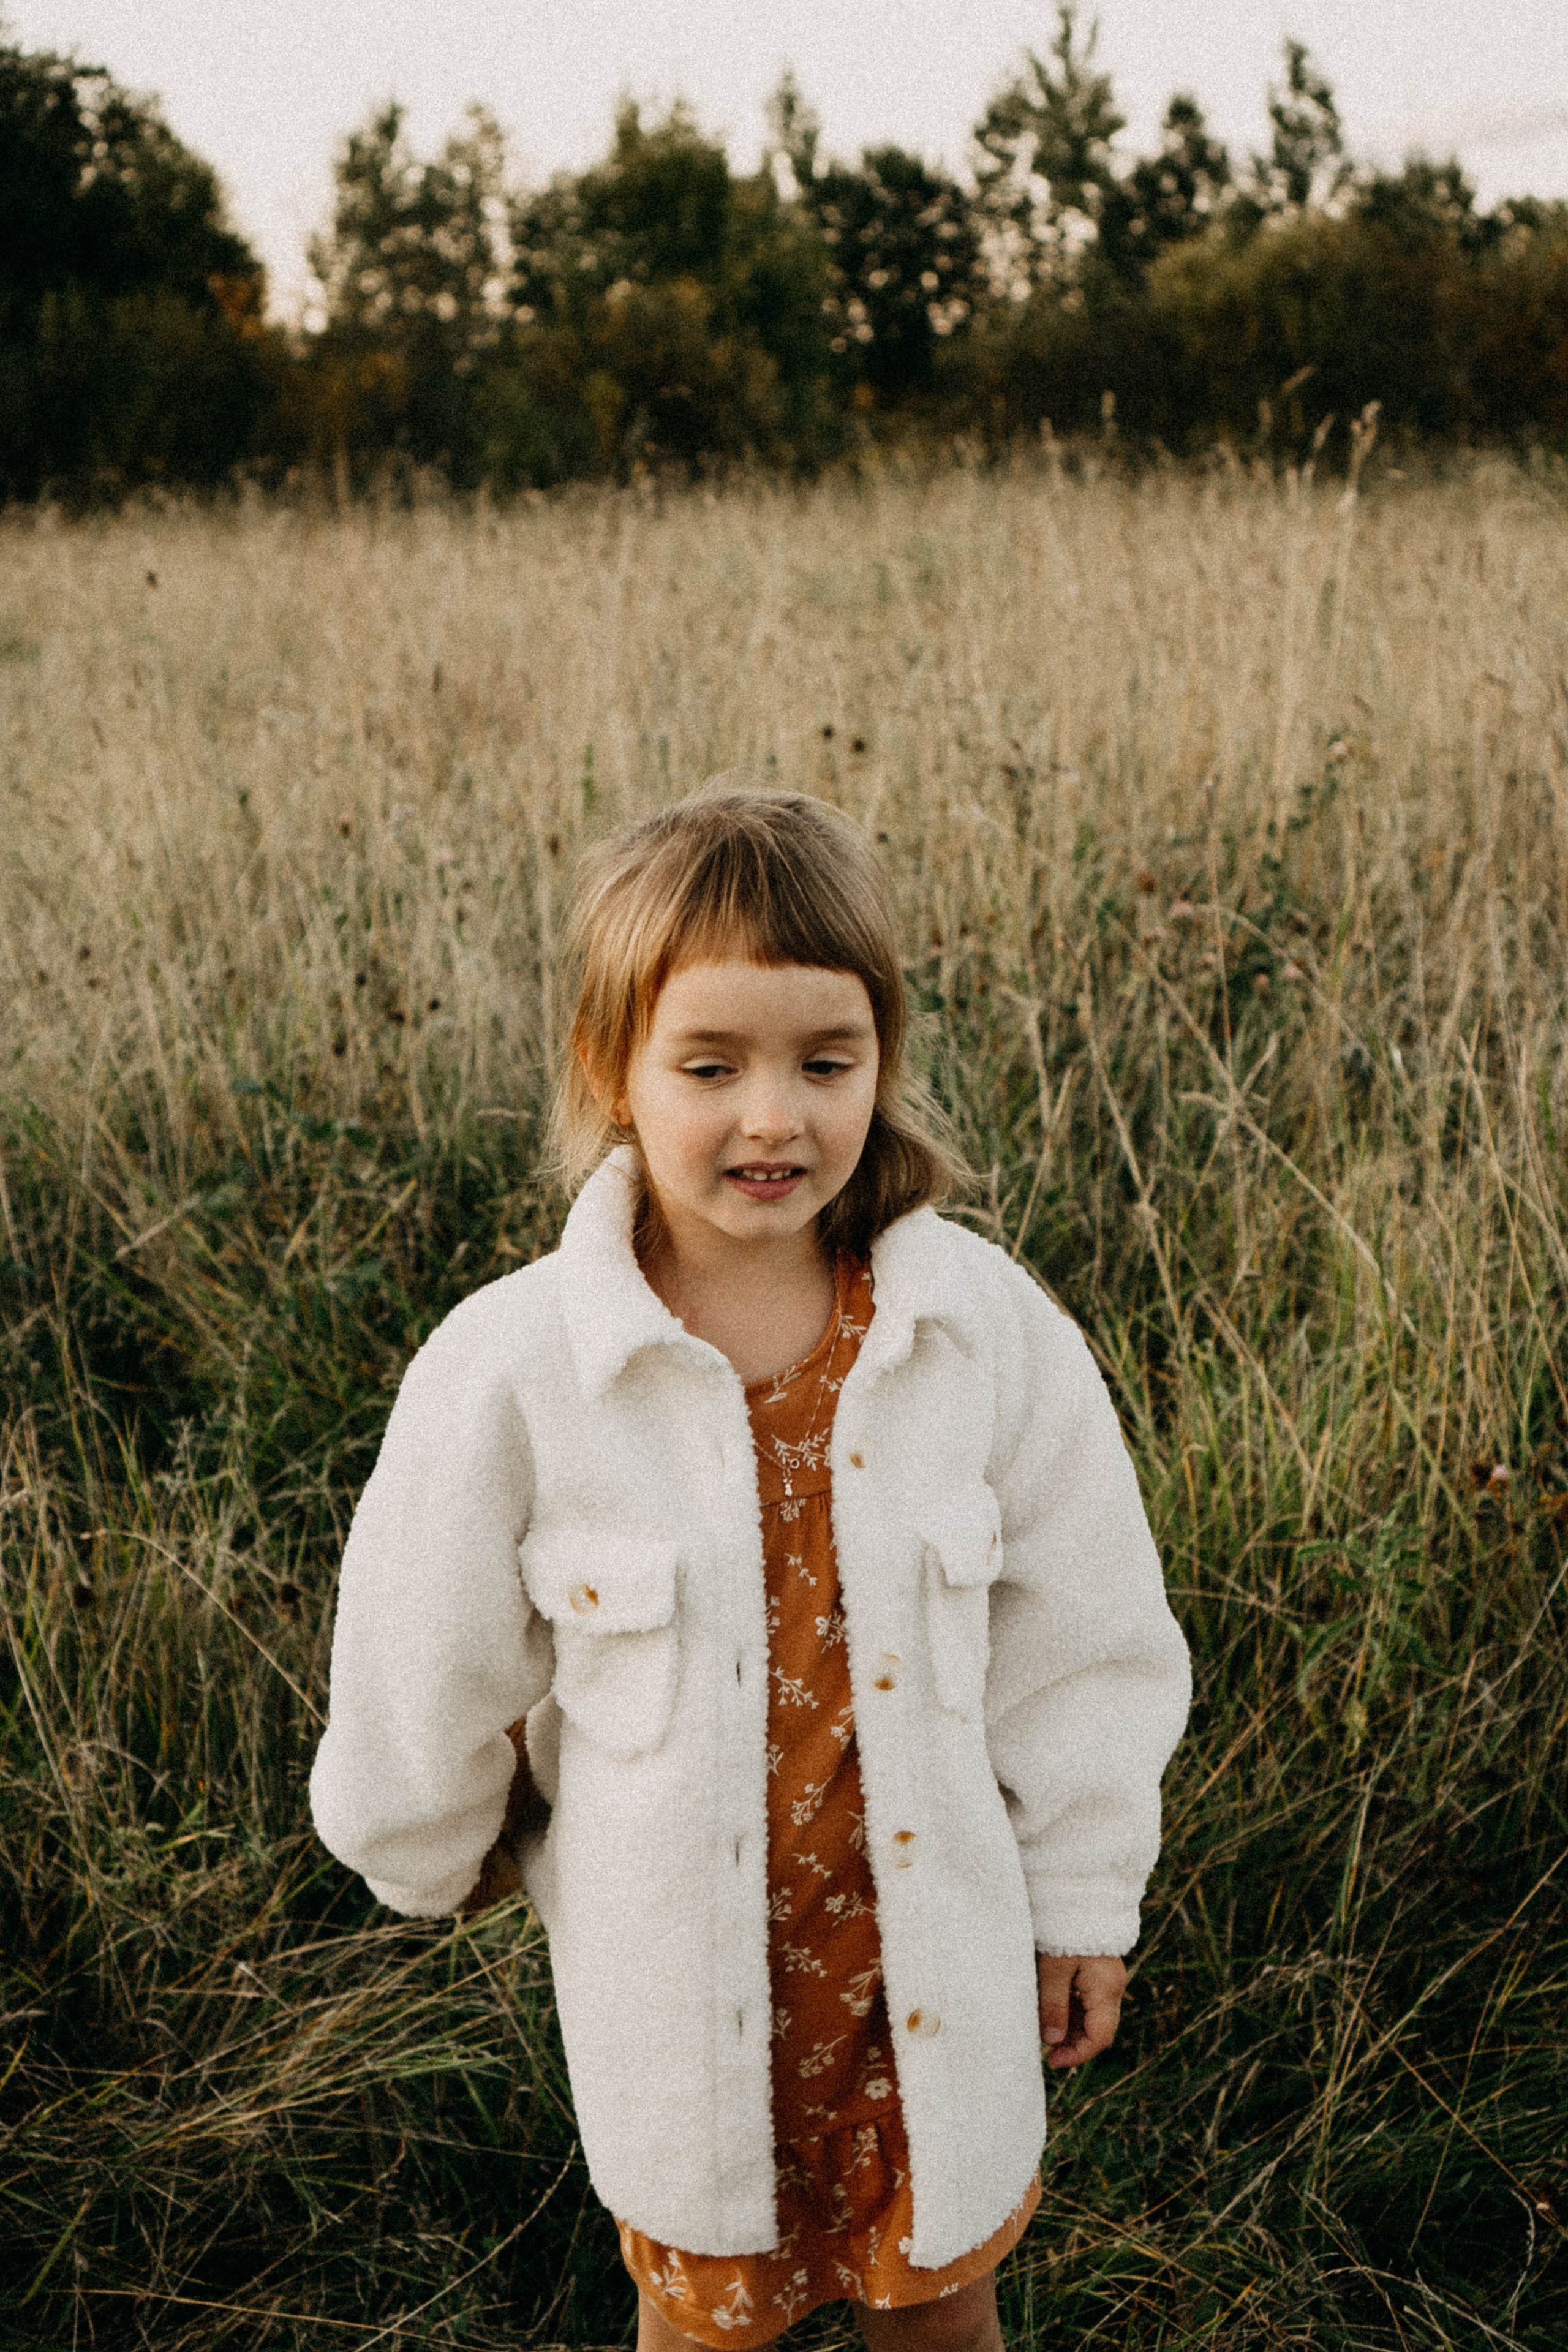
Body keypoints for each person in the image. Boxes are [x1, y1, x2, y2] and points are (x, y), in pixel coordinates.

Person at [309, 789, 1191, 2352]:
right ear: (613, 1072)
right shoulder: (518, 1367)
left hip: (928, 1983)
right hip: (682, 2010)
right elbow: (421, 1645)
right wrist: (427, 1845)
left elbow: (1087, 1630)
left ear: (881, 1067)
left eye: (822, 1064)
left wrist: (1079, 1900)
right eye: (708, 1067)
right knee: (708, 2331)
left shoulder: (974, 1331)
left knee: (943, 2316)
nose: (771, 1117)